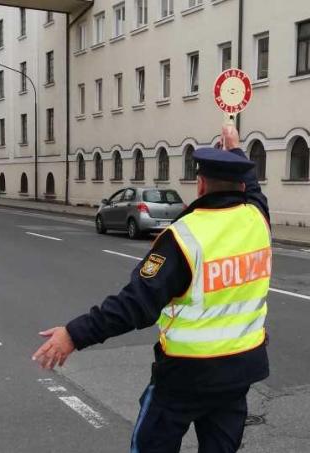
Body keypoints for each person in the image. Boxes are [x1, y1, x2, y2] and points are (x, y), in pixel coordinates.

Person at [34, 123, 271, 453]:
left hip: (185, 377)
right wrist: (235, 150)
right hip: (239, 373)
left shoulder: (184, 237)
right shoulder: (257, 220)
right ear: (241, 186)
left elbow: (135, 304)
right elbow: (256, 193)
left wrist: (74, 334)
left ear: (200, 185)